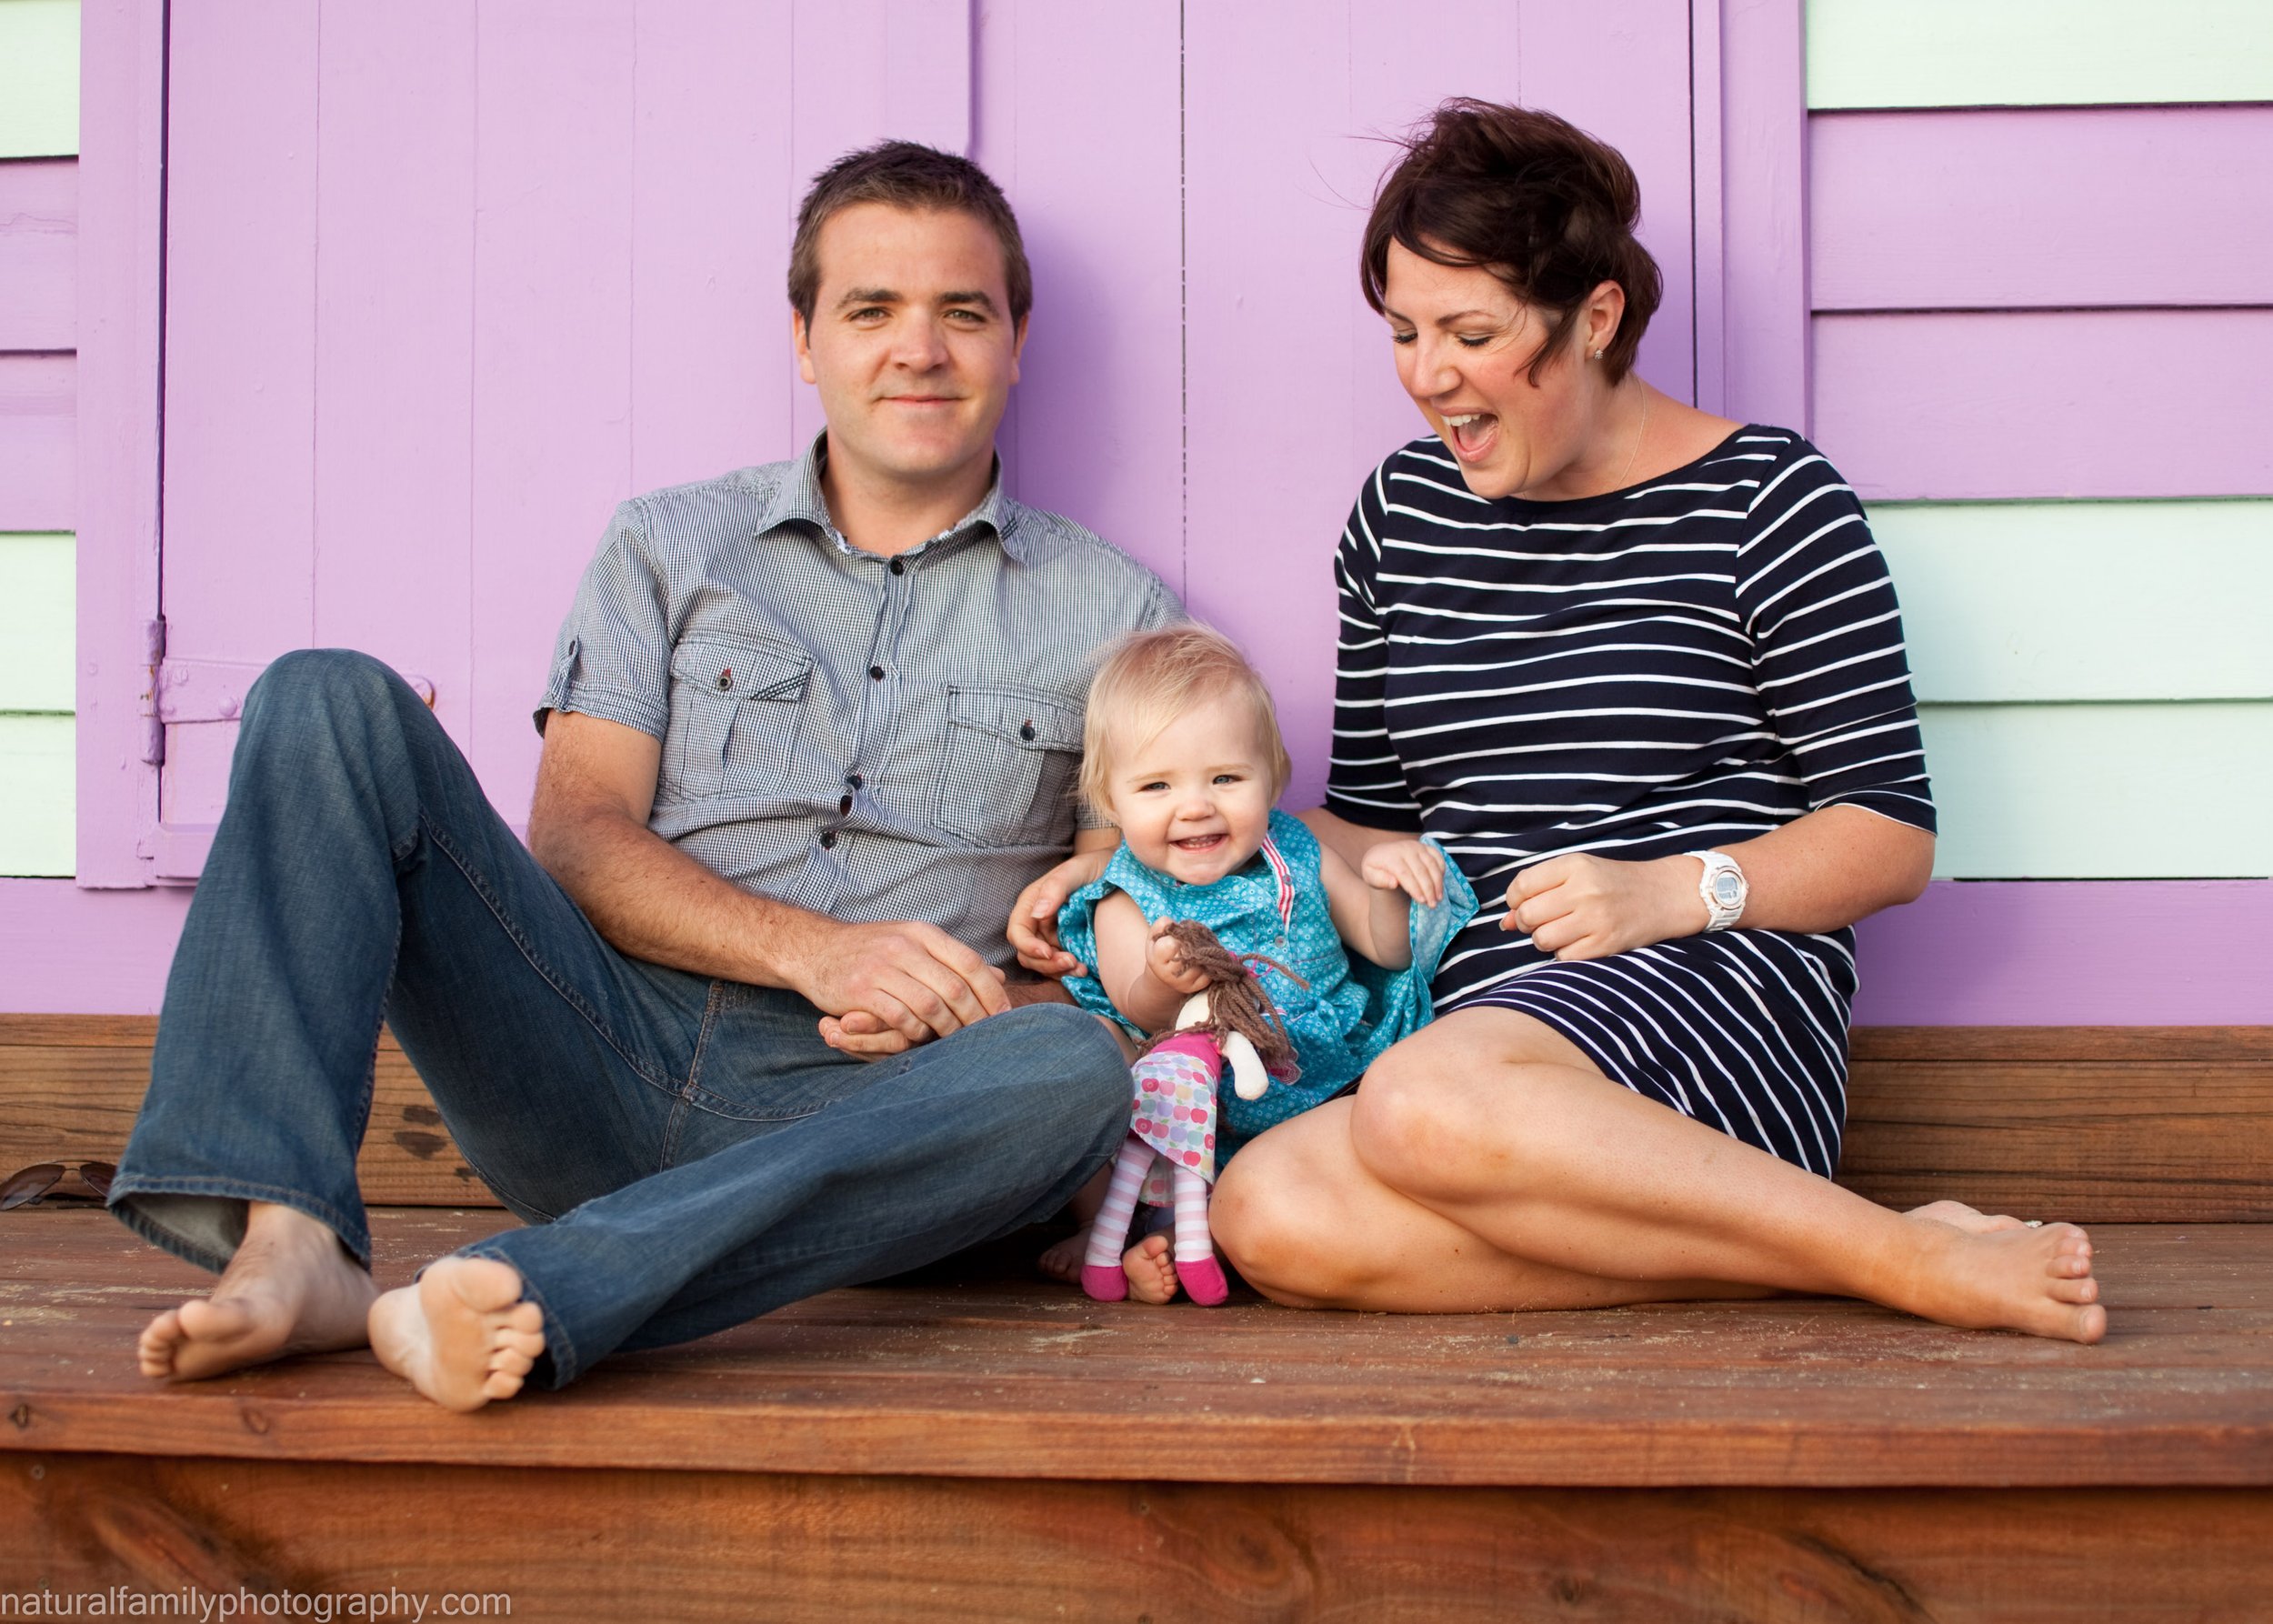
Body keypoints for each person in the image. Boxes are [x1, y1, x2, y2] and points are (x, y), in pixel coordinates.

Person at [110, 139, 1181, 1411]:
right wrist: (814, 949)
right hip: (599, 1048)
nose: (920, 348)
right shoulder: (671, 545)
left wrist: (966, 995)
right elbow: (575, 835)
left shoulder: (1117, 613)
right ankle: (289, 1241)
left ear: (1015, 338)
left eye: (963, 312)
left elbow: (1128, 934)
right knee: (324, 695)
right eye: (871, 309)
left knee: (1069, 1066)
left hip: (881, 1113)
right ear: (805, 339)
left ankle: (549, 1287)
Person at [1014, 100, 2105, 1343]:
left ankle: (1902, 1262)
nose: (1430, 376)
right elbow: (1368, 830)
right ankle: (1855, 1246)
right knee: (1271, 1211)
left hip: (1716, 984)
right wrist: (1134, 863)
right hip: (1479, 1020)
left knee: (1423, 1103)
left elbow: (1889, 836)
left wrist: (1674, 891)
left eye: (1471, 333)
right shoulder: (1402, 515)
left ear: (1595, 316)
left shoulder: (1772, 499)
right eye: (1407, 332)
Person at [1044, 626, 1475, 1303]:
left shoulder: (1296, 851)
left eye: (1225, 777)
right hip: (1204, 1100)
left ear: (1272, 774)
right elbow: (1137, 1006)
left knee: (1400, 1131)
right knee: (1109, 1082)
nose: (1196, 805)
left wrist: (1388, 888)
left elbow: (1384, 947)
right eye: (1156, 785)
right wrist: (1163, 979)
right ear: (1111, 798)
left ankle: (1198, 1234)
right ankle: (1114, 1226)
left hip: (1329, 1074)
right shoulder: (1126, 895)